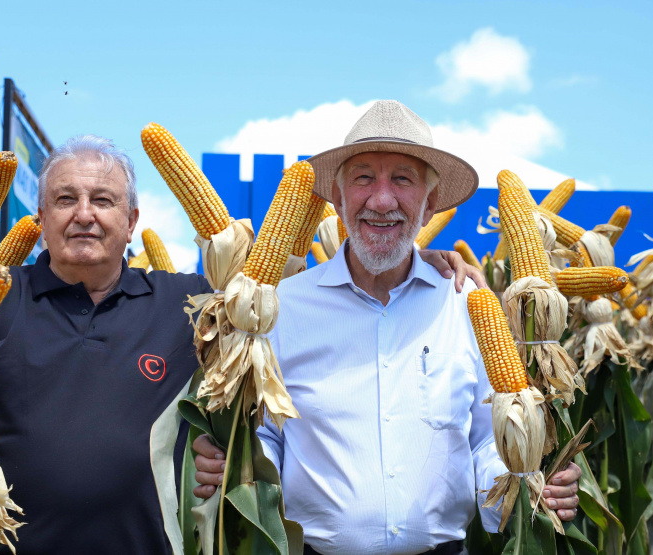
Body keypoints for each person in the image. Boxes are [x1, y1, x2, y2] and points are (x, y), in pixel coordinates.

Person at [0, 134, 484, 553]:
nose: (84, 216)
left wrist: (419, 264)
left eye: (102, 201)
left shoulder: (190, 304)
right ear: (39, 215)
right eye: (65, 200)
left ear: (132, 219)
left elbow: (257, 319)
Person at [193, 101, 582, 555]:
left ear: (429, 202)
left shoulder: (466, 306)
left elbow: (485, 439)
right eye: (362, 178)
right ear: (337, 200)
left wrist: (528, 489)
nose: (381, 200)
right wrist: (228, 461)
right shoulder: (281, 308)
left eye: (402, 179)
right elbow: (265, 437)